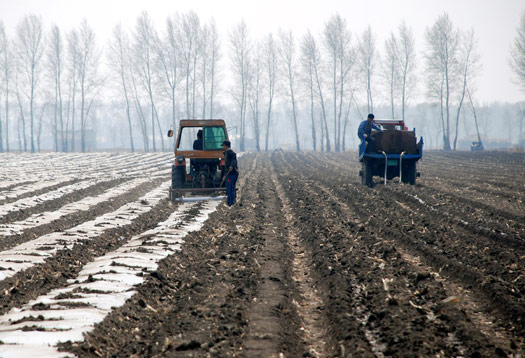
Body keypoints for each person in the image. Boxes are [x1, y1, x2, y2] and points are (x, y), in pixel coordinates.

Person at [222, 140, 238, 206]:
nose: (223, 147)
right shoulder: (226, 152)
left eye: (223, 145)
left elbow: (234, 158)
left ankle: (231, 203)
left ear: (225, 145)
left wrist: (232, 166)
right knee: (230, 188)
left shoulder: (229, 151)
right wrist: (224, 175)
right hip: (229, 174)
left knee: (230, 188)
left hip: (232, 174)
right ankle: (230, 202)